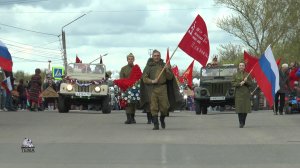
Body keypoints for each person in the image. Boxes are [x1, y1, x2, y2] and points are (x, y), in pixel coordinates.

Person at [141, 49, 179, 130]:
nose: (156, 57)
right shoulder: (148, 66)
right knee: (153, 107)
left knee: (164, 107)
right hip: (152, 88)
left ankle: (162, 119)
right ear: (152, 56)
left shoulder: (164, 65)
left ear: (160, 56)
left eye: (158, 56)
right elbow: (144, 78)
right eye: (155, 56)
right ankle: (156, 124)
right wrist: (152, 81)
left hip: (163, 88)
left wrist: (167, 69)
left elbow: (170, 77)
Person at [232, 62, 252, 128]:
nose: (241, 67)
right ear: (238, 66)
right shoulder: (235, 74)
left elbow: (251, 84)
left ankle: (243, 121)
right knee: (239, 108)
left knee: (245, 109)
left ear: (244, 67)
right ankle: (240, 122)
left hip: (246, 94)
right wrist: (239, 84)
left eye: (242, 65)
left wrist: (246, 81)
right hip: (238, 93)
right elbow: (232, 83)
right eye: (240, 65)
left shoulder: (247, 74)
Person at [119, 53, 137, 124]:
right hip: (126, 88)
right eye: (129, 59)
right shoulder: (123, 69)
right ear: (127, 60)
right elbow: (121, 79)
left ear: (133, 60)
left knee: (133, 103)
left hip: (134, 88)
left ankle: (132, 117)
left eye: (132, 59)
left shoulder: (136, 68)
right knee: (127, 103)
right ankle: (128, 118)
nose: (130, 60)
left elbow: (139, 78)